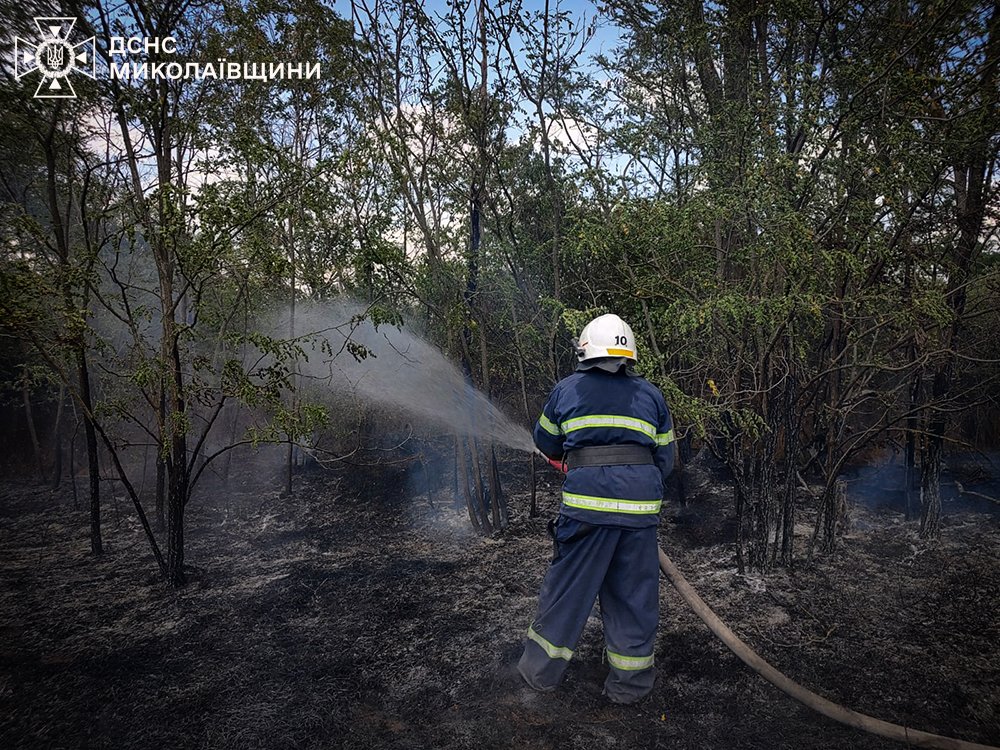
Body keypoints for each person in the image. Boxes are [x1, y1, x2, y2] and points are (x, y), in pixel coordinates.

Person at [518, 313, 675, 704]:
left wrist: (583, 459)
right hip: (639, 515)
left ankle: (540, 673)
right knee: (634, 597)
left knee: (568, 592)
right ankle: (630, 686)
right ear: (628, 355)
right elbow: (667, 458)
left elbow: (548, 443)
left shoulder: (567, 390)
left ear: (586, 352)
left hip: (587, 513)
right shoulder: (652, 396)